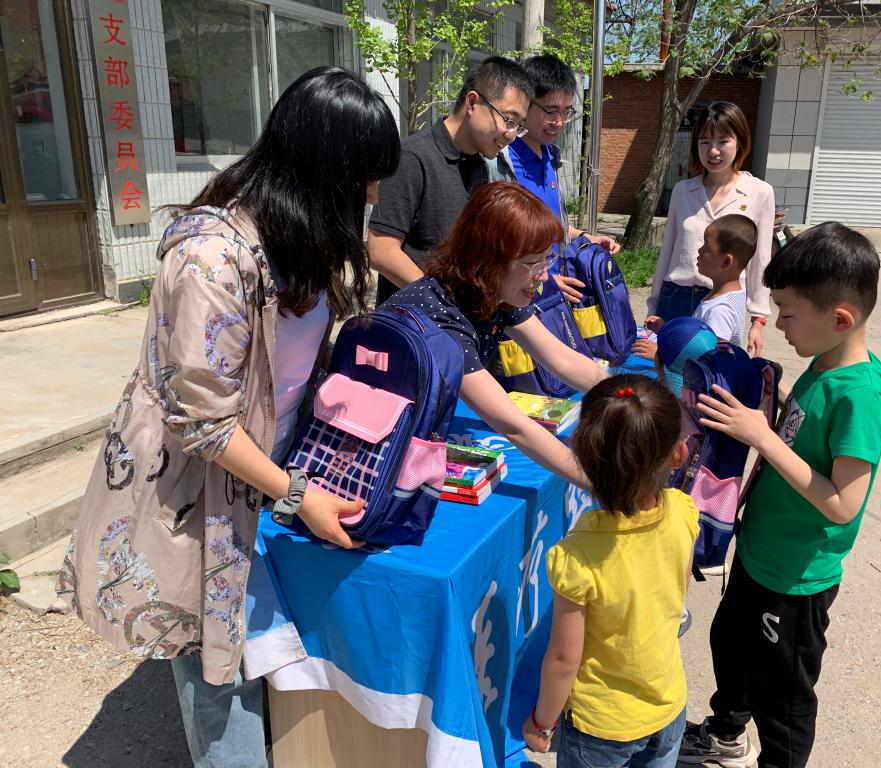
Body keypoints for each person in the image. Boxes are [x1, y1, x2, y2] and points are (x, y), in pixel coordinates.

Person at [55, 67, 401, 767]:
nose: (373, 196)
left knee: (256, 646)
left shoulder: (297, 237)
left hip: (262, 478)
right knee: (220, 673)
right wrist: (297, 494)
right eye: (365, 178)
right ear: (323, 171)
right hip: (200, 488)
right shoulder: (211, 258)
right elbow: (205, 424)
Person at [679, 222, 881, 768]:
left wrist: (763, 437)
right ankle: (726, 733)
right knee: (731, 648)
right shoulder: (824, 363)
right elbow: (800, 435)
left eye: (788, 314)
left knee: (783, 694)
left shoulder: (860, 396)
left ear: (840, 319)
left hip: (795, 580)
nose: (777, 324)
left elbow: (843, 504)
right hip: (759, 553)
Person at [521, 373, 699, 767]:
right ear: (678, 454)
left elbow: (564, 659)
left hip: (601, 727)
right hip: (668, 706)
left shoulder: (575, 556)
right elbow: (676, 593)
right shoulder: (684, 511)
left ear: (583, 458)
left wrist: (541, 722)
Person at [381, 182, 608, 487]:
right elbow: (513, 425)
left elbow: (562, 359)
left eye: (548, 258)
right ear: (487, 260)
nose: (544, 275)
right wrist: (598, 482)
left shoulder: (494, 293)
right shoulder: (439, 319)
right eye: (531, 263)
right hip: (383, 453)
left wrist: (629, 395)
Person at [368, 56, 534, 305]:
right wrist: (444, 304)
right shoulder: (412, 157)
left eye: (519, 126)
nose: (511, 135)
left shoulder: (479, 166)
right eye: (509, 120)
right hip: (414, 320)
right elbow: (382, 251)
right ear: (472, 102)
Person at [645, 101, 775, 357]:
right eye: (704, 142)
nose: (713, 151)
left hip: (723, 302)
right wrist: (654, 305)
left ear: (740, 142)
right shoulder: (683, 191)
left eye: (723, 141)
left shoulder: (759, 192)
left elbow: (761, 260)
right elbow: (667, 252)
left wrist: (758, 320)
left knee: (712, 372)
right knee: (667, 371)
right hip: (676, 298)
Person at [507, 53, 619, 305]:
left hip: (553, 290)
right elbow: (501, 240)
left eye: (566, 112)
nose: (558, 122)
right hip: (520, 296)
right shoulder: (504, 162)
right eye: (550, 111)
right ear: (525, 103)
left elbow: (548, 225)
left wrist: (584, 237)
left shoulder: (550, 156)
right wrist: (542, 281)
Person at [635, 214, 757, 360]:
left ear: (726, 261)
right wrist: (666, 330)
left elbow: (708, 362)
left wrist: (659, 356)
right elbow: (694, 343)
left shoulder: (720, 311)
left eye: (706, 247)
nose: (699, 250)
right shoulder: (725, 295)